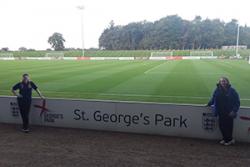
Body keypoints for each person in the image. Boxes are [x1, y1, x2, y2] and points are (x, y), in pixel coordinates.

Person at [207, 77, 240, 146]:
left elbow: (237, 102)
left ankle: (229, 140)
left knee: (228, 126)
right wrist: (208, 104)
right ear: (220, 82)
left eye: (224, 81)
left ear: (227, 82)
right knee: (221, 126)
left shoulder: (232, 91)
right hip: (220, 111)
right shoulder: (217, 90)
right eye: (222, 81)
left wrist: (234, 111)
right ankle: (226, 139)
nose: (223, 82)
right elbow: (213, 98)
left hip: (229, 112)